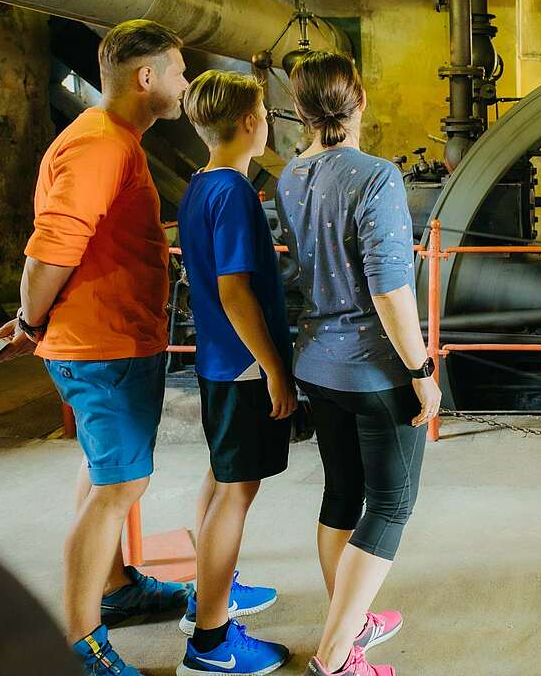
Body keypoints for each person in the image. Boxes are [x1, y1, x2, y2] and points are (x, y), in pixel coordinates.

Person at [0, 19, 191, 676]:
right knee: (122, 482)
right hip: (101, 347)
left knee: (105, 471)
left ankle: (117, 588)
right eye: (179, 71)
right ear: (147, 78)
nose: (184, 83)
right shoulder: (100, 144)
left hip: (111, 339)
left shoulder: (114, 140)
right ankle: (82, 641)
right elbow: (50, 249)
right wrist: (29, 317)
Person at [275, 51, 440, 676]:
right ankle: (337, 655)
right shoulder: (376, 177)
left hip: (317, 364)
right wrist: (422, 373)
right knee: (392, 506)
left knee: (342, 494)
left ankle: (348, 617)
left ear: (300, 111)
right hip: (376, 372)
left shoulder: (289, 176)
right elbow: (391, 290)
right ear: (360, 101)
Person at [174, 70, 297, 676]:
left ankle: (207, 594)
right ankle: (211, 640)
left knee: (221, 482)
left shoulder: (199, 186)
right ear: (251, 123)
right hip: (245, 364)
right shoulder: (237, 194)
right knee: (236, 494)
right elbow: (235, 293)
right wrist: (275, 368)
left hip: (218, 361)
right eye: (266, 117)